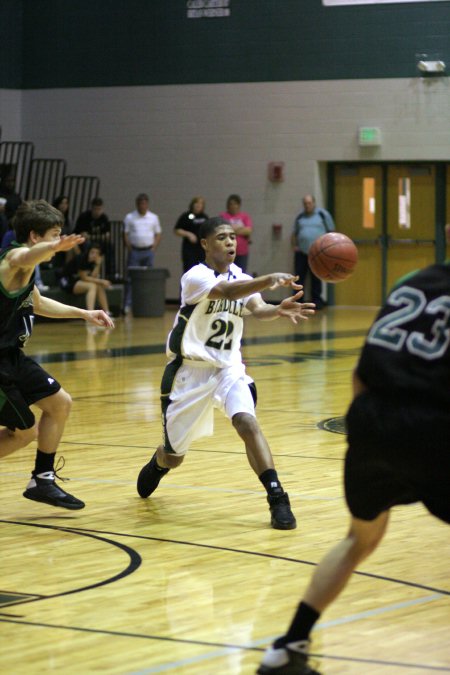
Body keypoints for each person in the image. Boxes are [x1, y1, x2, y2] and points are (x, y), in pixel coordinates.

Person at [256, 257, 450, 673]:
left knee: (358, 539)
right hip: (432, 427)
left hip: (369, 419)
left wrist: (370, 431)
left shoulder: (410, 282)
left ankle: (287, 647)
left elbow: (361, 373)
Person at [136, 217, 315, 529]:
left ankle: (278, 498)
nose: (231, 242)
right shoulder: (196, 277)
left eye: (233, 237)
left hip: (229, 368)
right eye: (222, 237)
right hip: (189, 373)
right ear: (205, 244)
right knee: (174, 456)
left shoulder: (242, 277)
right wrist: (268, 279)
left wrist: (278, 309)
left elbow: (256, 308)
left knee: (246, 421)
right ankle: (160, 461)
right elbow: (228, 292)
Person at [0, 200, 114, 510]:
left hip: (11, 357)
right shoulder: (14, 259)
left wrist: (84, 313)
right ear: (36, 237)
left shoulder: (27, 271)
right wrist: (54, 247)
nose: (59, 241)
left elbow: (36, 302)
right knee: (24, 433)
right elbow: (24, 254)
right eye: (54, 235)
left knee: (60, 403)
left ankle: (43, 479)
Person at [290, 195, 335, 310]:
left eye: (309, 203)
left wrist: (329, 248)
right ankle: (298, 301)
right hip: (301, 252)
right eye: (305, 203)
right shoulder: (300, 217)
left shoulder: (322, 215)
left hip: (318, 253)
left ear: (314, 203)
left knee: (316, 277)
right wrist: (295, 246)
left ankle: (317, 301)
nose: (307, 205)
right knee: (299, 277)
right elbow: (294, 233)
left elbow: (331, 231)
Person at [123, 193, 162, 312]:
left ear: (147, 204)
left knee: (148, 278)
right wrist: (129, 247)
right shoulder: (130, 217)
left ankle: (147, 304)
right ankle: (128, 304)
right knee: (131, 278)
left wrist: (154, 247)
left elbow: (158, 233)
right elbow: (125, 233)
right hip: (135, 251)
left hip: (148, 251)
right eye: (140, 203)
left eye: (144, 203)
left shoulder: (153, 217)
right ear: (137, 204)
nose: (142, 205)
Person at [59, 243, 112, 316]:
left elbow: (93, 277)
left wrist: (98, 265)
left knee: (99, 286)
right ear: (89, 251)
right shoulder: (82, 258)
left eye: (97, 253)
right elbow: (83, 277)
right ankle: (90, 314)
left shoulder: (93, 262)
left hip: (78, 281)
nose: (94, 255)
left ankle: (107, 313)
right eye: (92, 252)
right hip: (67, 281)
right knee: (92, 286)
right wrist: (102, 281)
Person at [174, 196, 208, 272]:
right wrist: (188, 234)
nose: (198, 205)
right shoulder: (186, 216)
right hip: (189, 248)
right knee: (189, 269)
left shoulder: (204, 217)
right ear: (192, 204)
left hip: (201, 249)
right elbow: (177, 230)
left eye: (201, 203)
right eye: (196, 203)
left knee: (202, 269)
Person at [219, 194, 253, 272]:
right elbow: (221, 231)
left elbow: (248, 230)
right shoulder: (223, 216)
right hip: (226, 251)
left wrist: (230, 230)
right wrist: (240, 229)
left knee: (241, 273)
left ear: (239, 205)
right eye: (231, 204)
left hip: (241, 251)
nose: (233, 206)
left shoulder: (244, 216)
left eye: (235, 204)